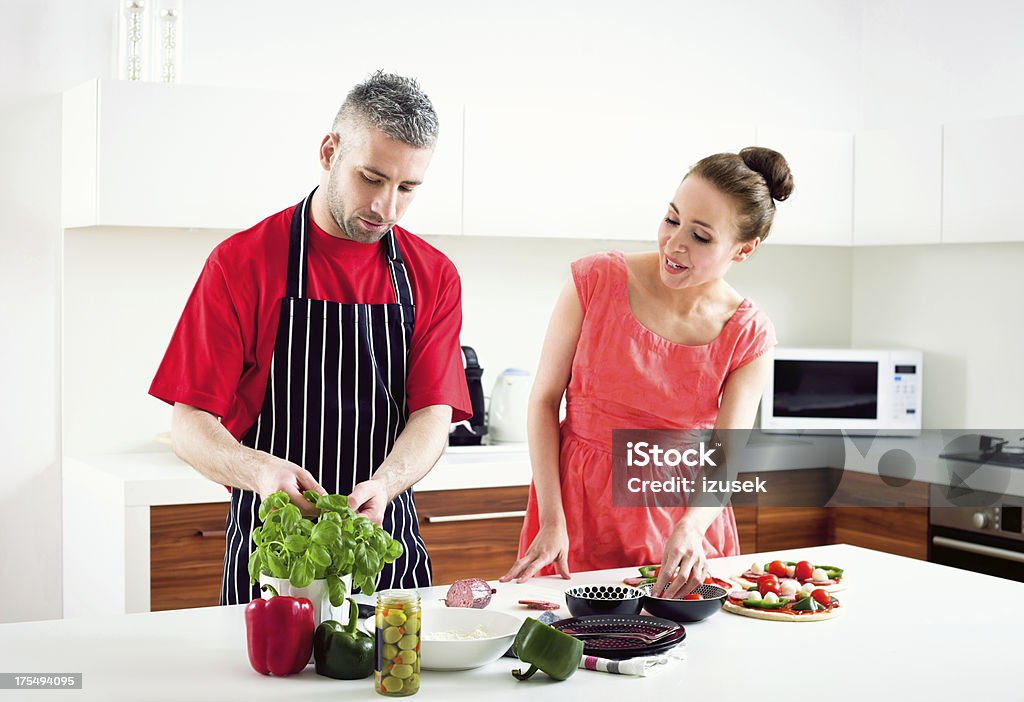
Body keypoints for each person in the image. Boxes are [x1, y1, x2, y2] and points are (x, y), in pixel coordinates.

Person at [149, 71, 471, 604]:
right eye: (371, 178)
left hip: (384, 553)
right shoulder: (242, 264)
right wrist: (261, 472)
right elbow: (189, 424)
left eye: (407, 188)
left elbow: (433, 415)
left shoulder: (432, 275)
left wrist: (387, 484)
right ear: (329, 152)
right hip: (274, 558)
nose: (386, 208)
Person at [500, 147, 792, 598]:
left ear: (744, 249)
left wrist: (693, 526)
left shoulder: (748, 332)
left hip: (684, 520)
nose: (675, 244)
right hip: (579, 511)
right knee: (574, 648)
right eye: (672, 219)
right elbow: (543, 401)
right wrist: (552, 520)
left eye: (700, 236)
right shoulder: (596, 280)